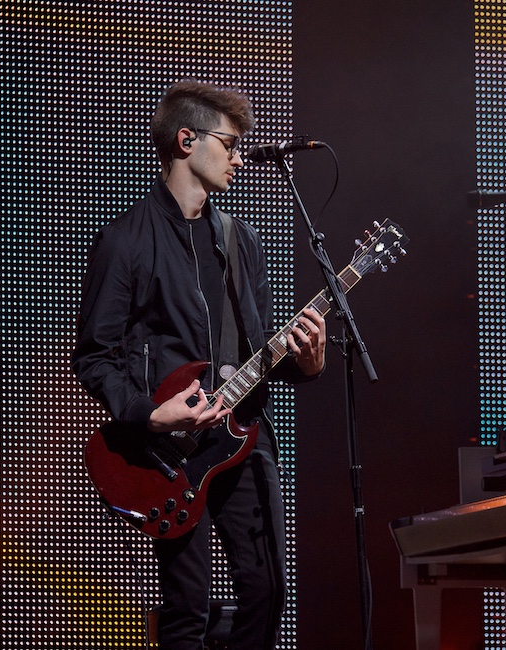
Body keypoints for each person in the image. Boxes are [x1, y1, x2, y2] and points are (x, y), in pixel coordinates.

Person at [72, 79, 326, 649]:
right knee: (187, 609)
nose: (240, 157)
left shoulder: (242, 241)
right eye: (231, 143)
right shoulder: (125, 240)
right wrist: (150, 415)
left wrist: (307, 362)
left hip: (243, 439)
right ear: (186, 140)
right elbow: (94, 357)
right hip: (169, 455)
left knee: (267, 590)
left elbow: (260, 353)